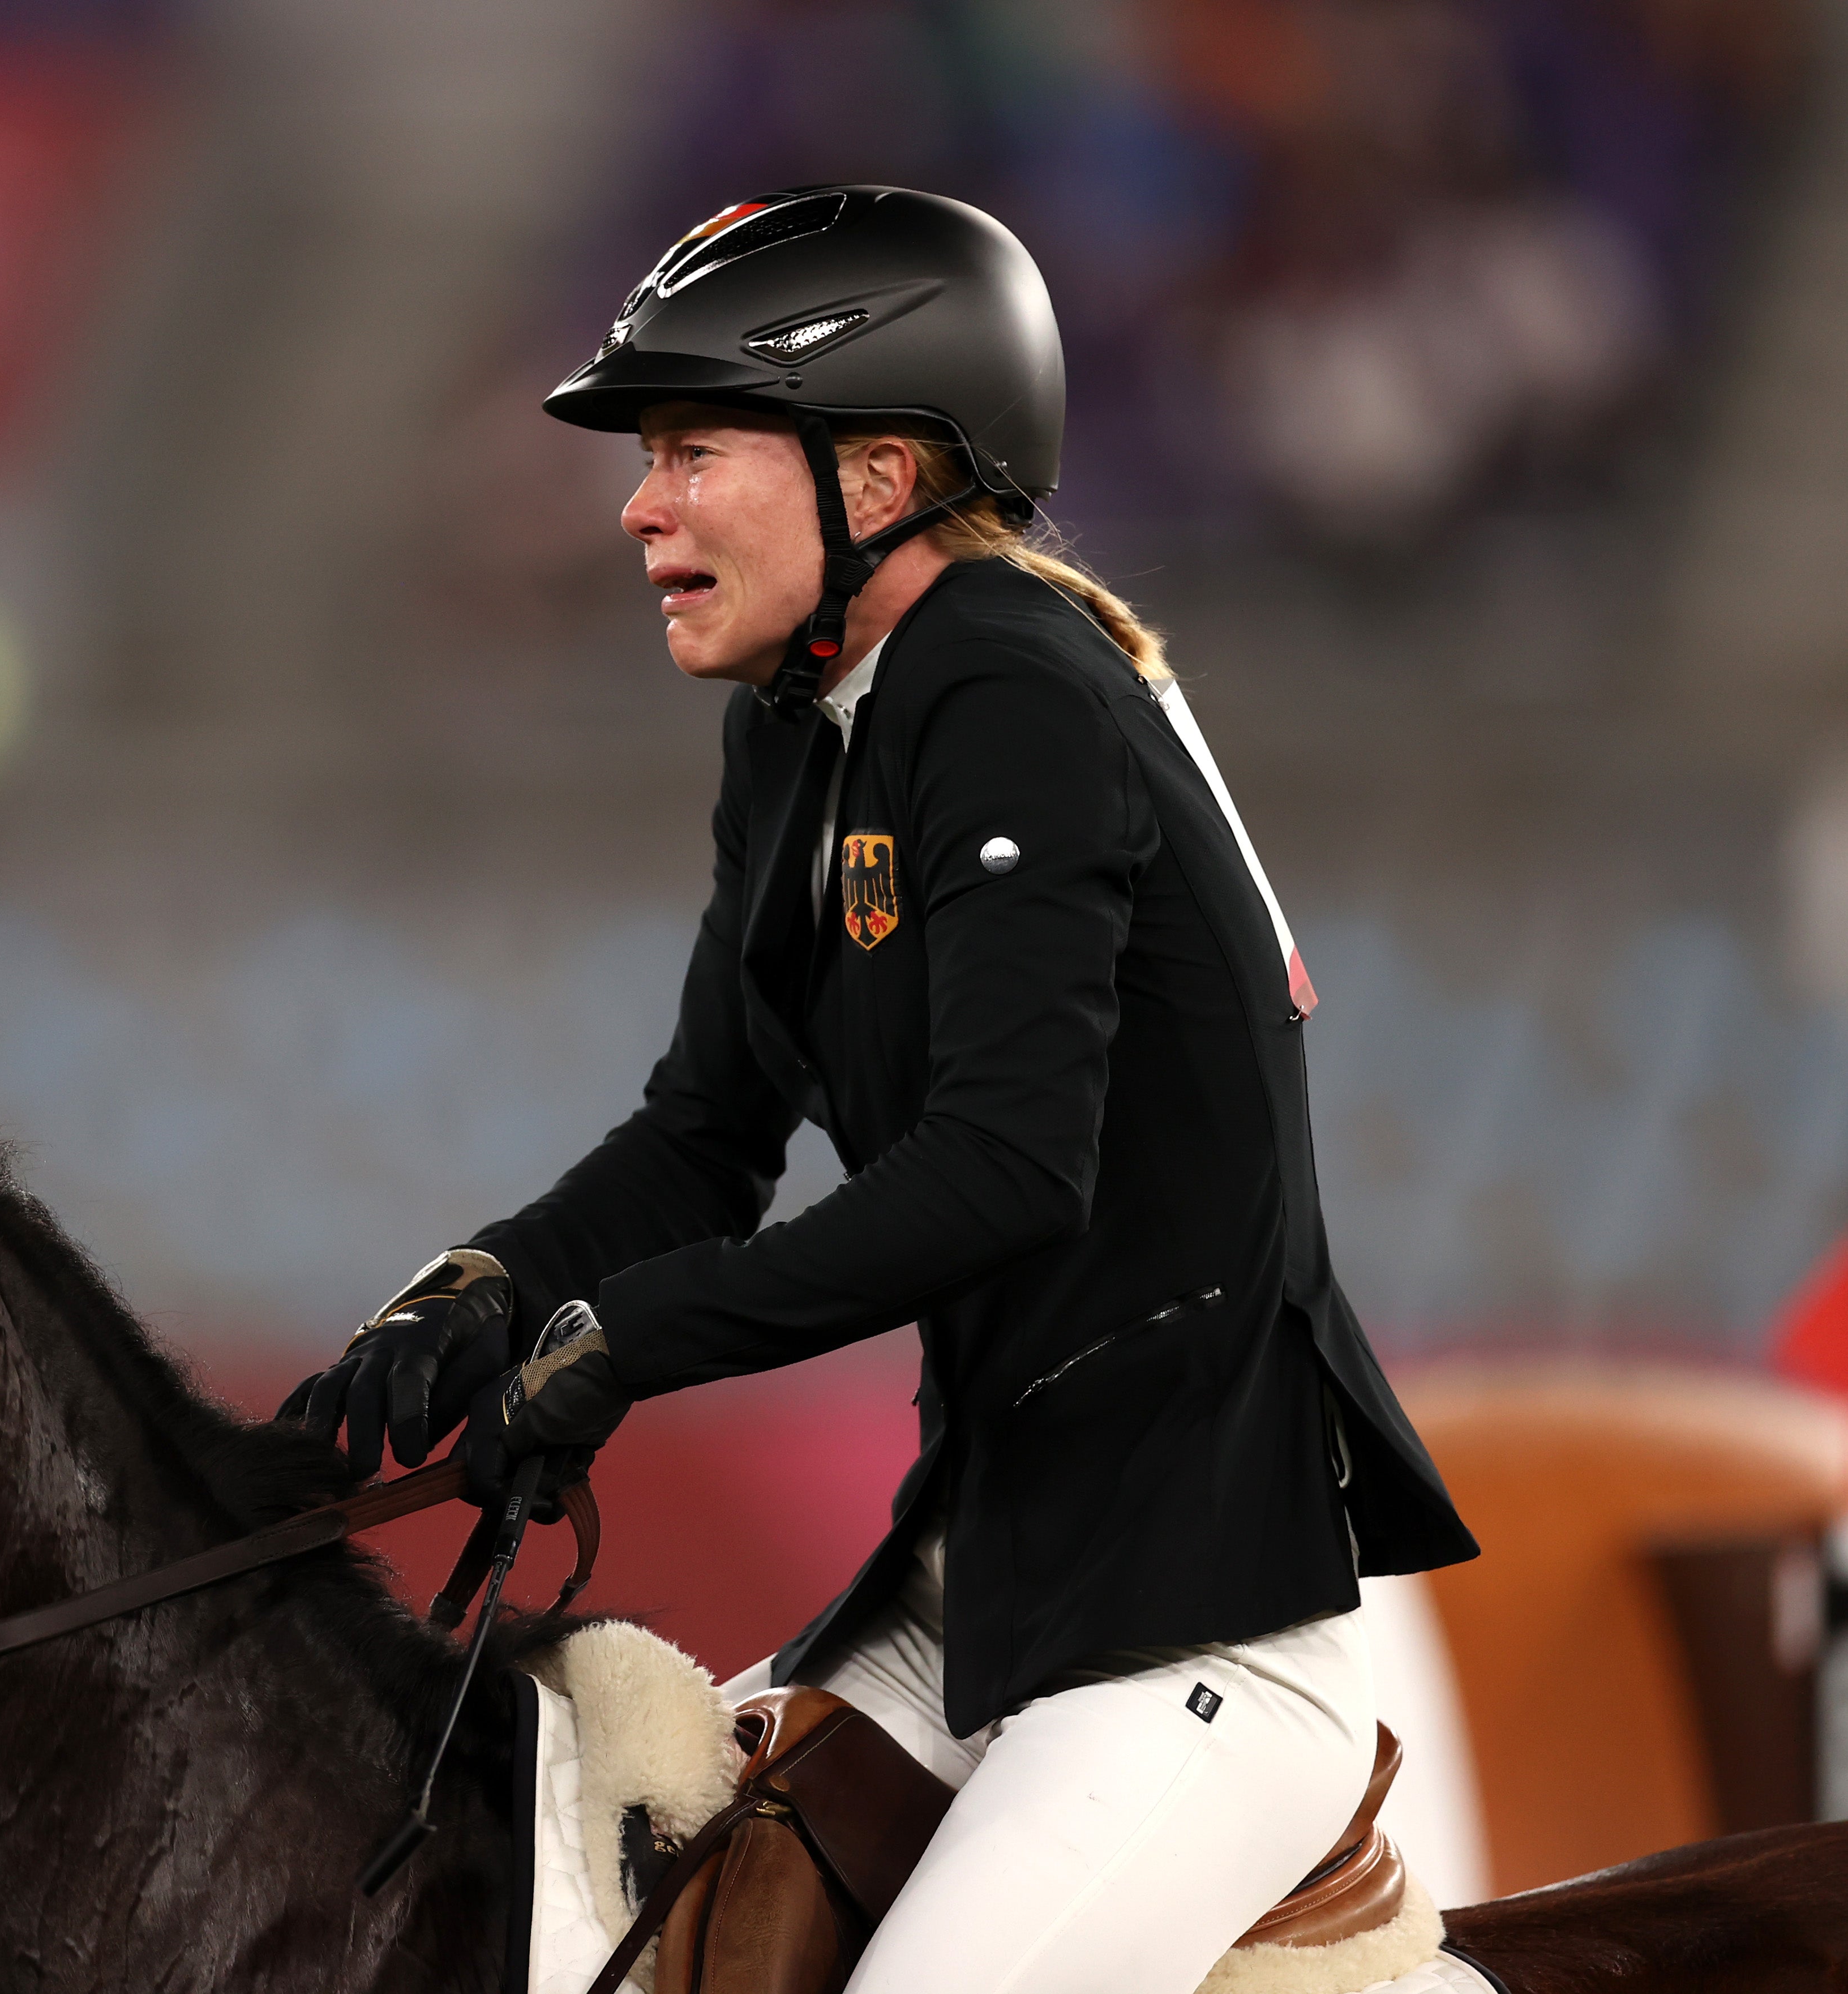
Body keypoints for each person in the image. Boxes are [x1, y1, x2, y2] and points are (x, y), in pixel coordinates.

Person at [282, 186, 1480, 1993]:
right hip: (973, 1593)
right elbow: (702, 1136)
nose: (637, 503)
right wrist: (488, 1286)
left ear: (878, 478)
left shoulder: (1004, 675)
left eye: (691, 445)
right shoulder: (796, 730)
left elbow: (1005, 1172)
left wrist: (624, 1339)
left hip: (1192, 1641)